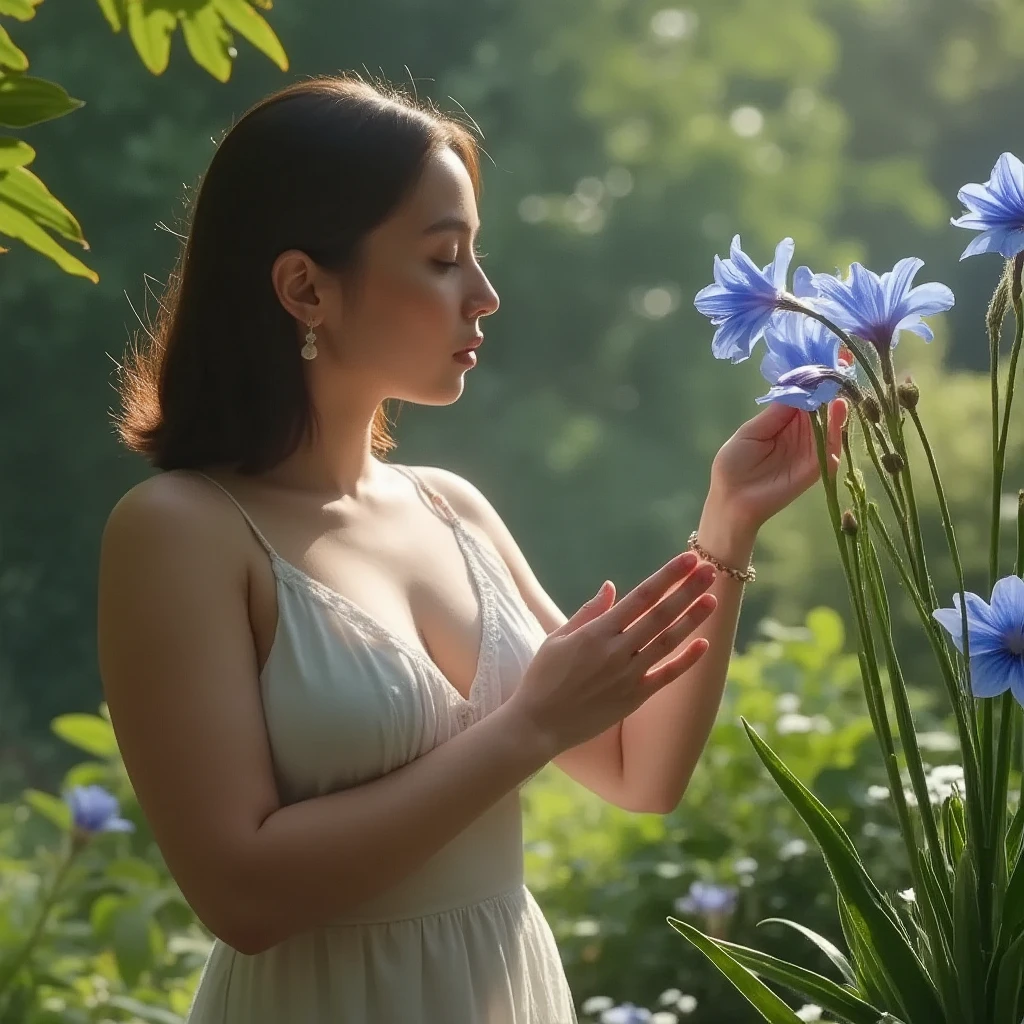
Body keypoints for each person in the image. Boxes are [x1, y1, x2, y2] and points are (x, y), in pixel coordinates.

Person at [96, 74, 846, 1024]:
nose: (485, 297)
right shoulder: (180, 531)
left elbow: (636, 772)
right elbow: (243, 895)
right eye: (445, 259)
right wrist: (528, 727)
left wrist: (727, 523)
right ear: (305, 287)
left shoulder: (451, 508)